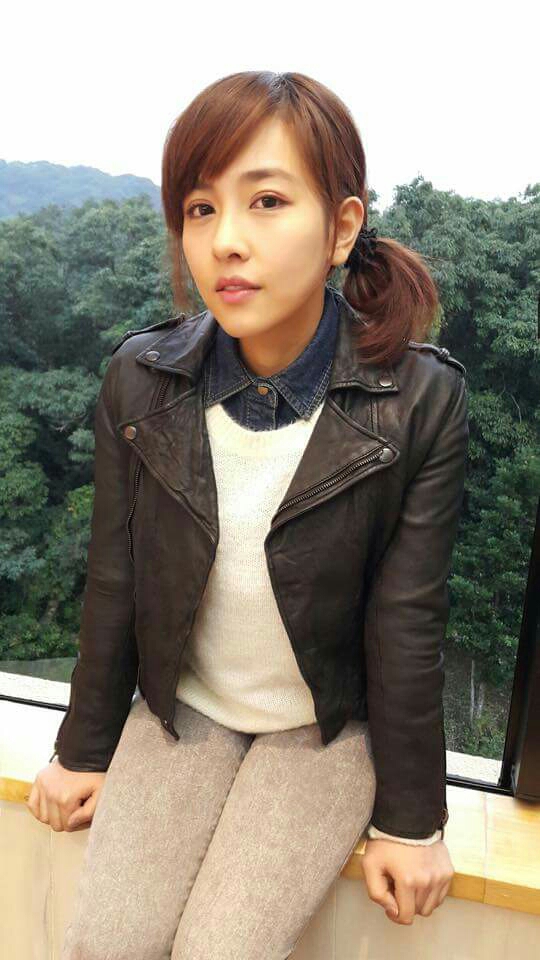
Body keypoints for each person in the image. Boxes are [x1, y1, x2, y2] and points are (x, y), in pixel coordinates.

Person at [26, 70, 468, 957]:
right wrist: (83, 750)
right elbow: (115, 580)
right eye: (201, 208)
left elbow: (407, 620)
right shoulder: (141, 379)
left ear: (342, 227)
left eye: (267, 201)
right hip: (184, 707)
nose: (226, 240)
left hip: (324, 727)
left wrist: (411, 821)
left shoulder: (419, 399)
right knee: (105, 945)